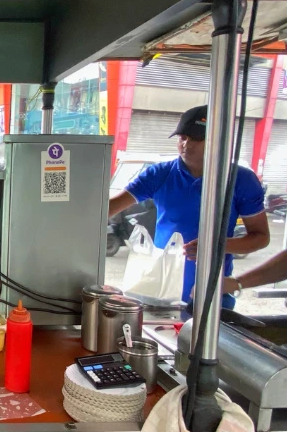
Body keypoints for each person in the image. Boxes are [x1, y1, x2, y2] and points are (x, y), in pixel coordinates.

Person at [108, 105, 269, 307]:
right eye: (182, 137)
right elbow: (109, 208)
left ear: (217, 141)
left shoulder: (241, 180)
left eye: (195, 138)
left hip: (211, 296)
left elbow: (261, 237)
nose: (186, 144)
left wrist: (215, 247)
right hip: (159, 292)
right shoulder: (160, 174)